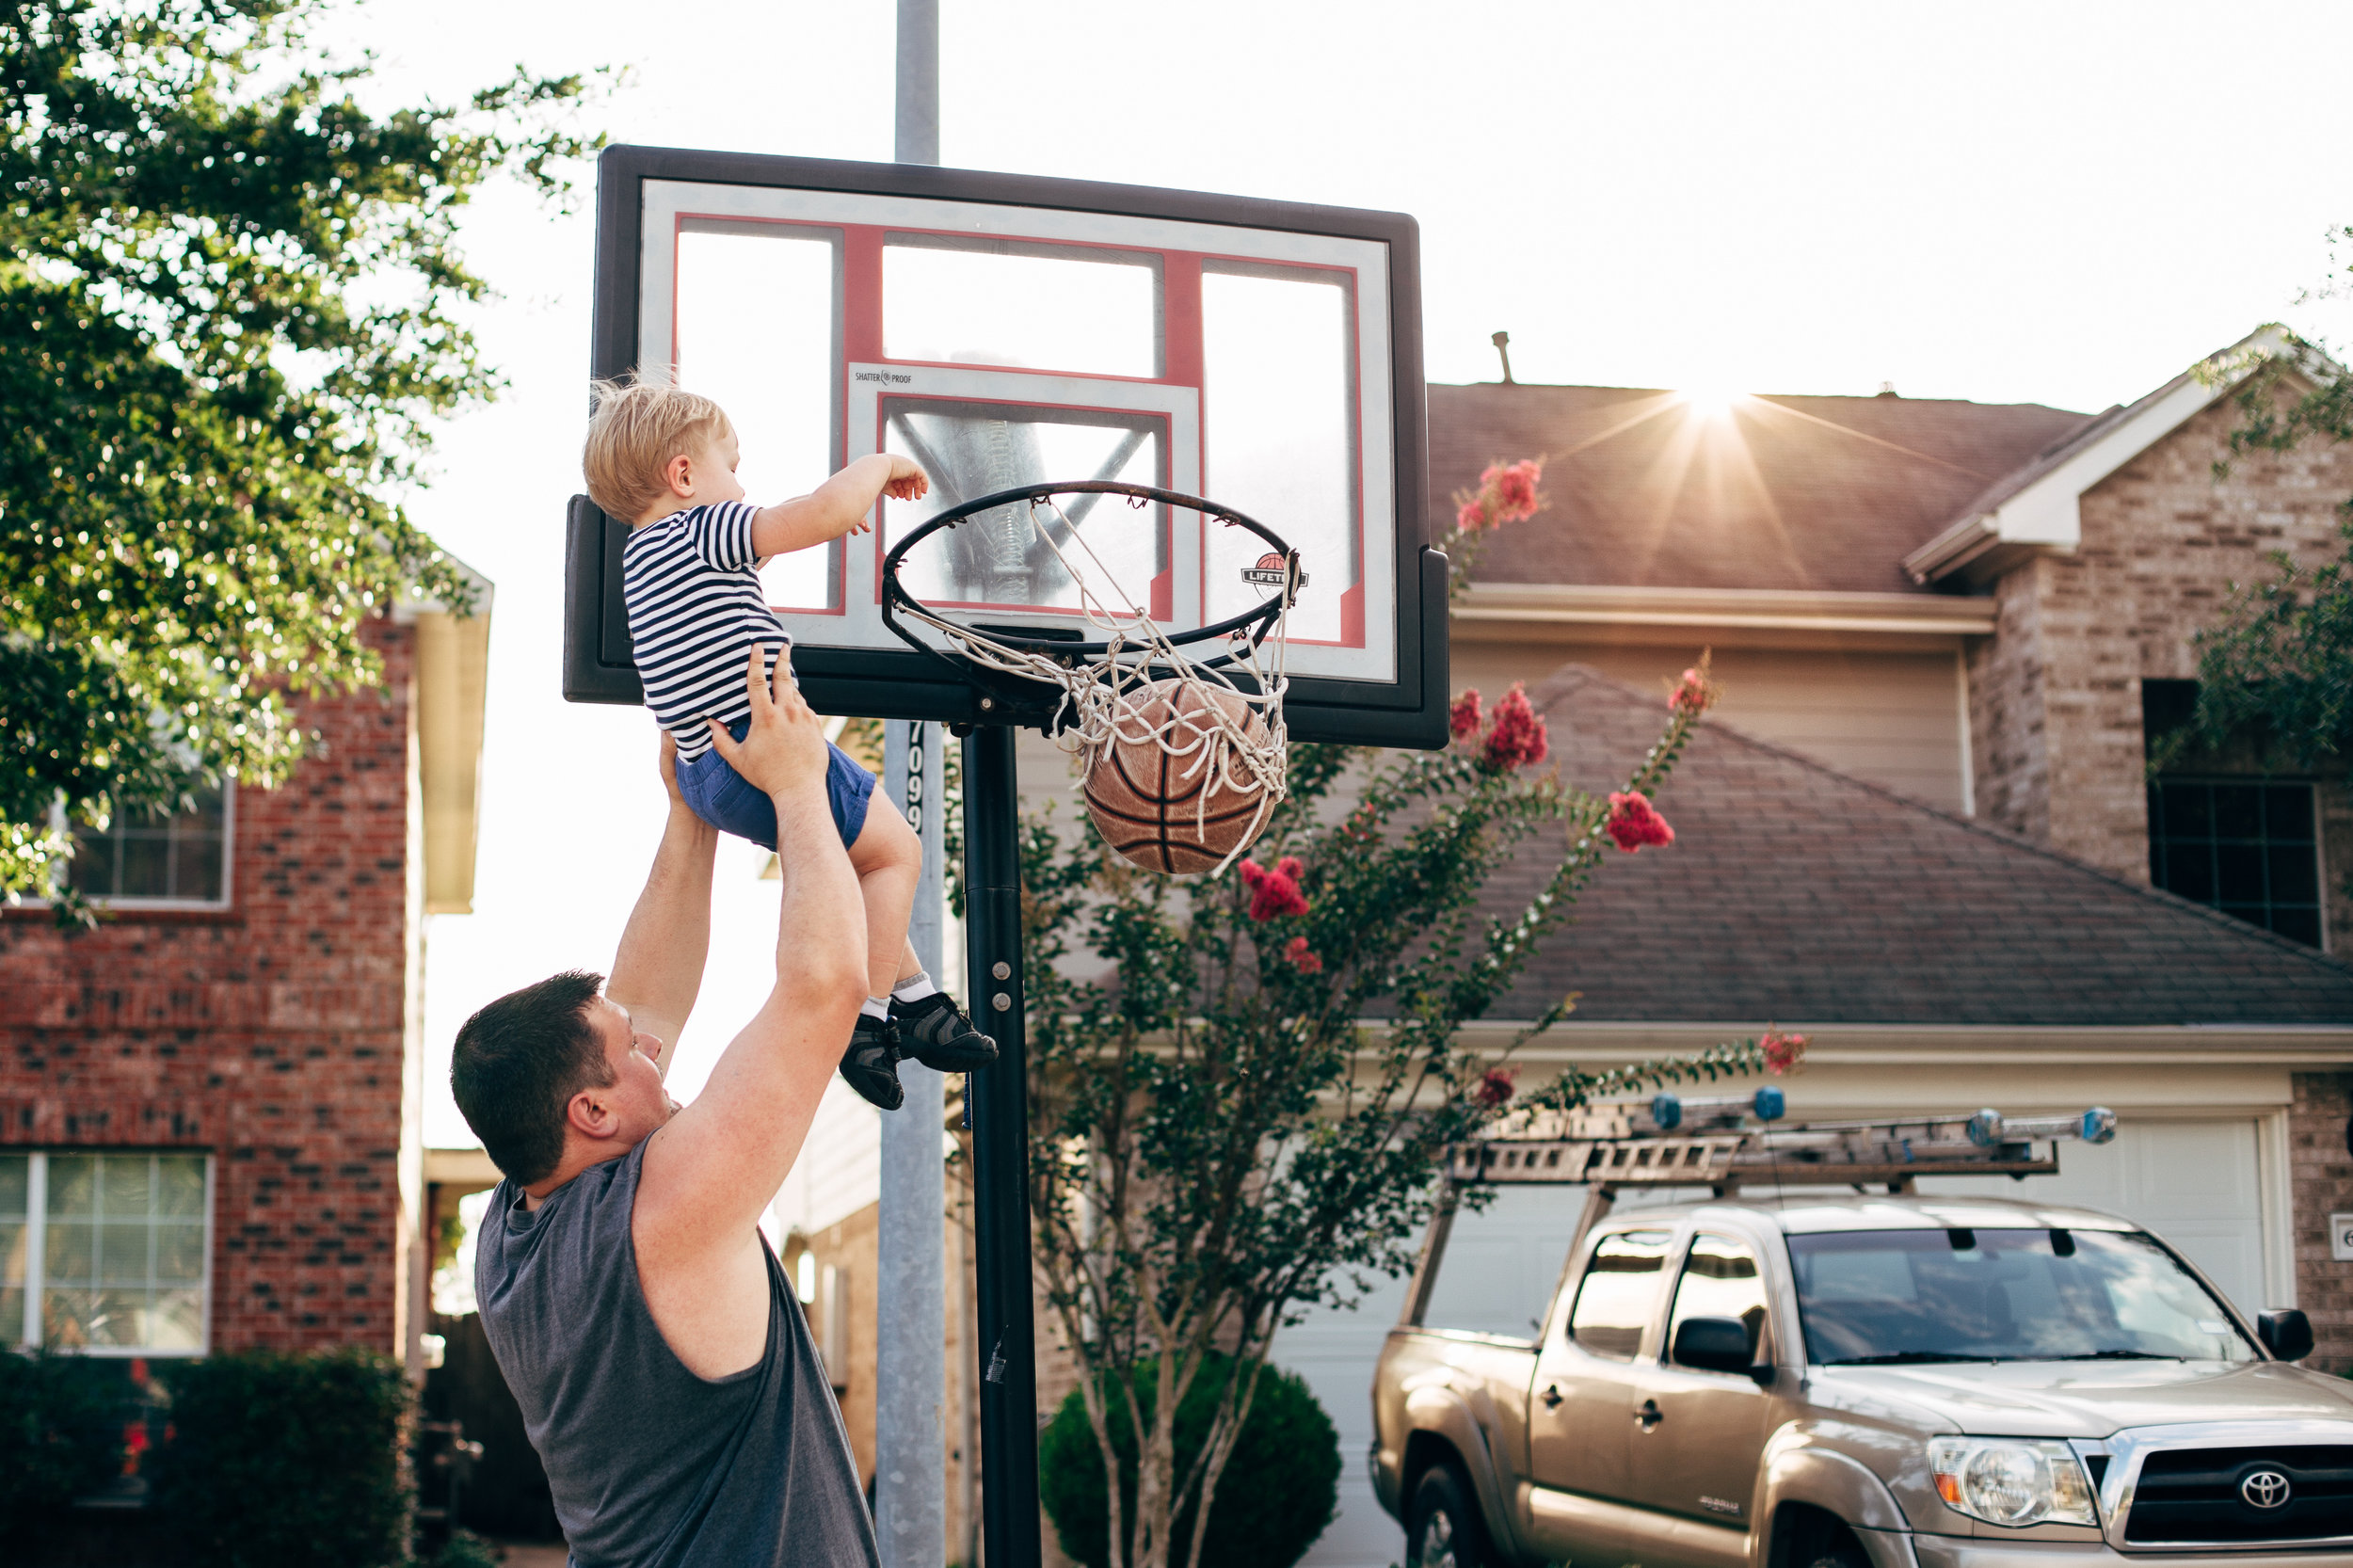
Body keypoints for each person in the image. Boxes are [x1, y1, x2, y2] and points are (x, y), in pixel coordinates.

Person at [453, 650, 881, 1566]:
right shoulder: (667, 1210)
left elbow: (646, 998)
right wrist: (800, 787)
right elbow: (826, 986)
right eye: (630, 1049)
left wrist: (688, 812)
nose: (652, 1044)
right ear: (592, 1113)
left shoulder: (510, 1233)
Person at [583, 375, 992, 1110]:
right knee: (898, 851)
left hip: (709, 776)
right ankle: (869, 1021)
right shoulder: (701, 528)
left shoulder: (643, 560)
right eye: (729, 465)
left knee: (856, 862)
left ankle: (920, 1004)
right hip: (766, 748)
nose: (740, 483)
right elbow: (818, 513)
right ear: (684, 476)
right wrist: (876, 468)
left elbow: (735, 578)